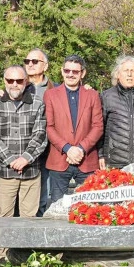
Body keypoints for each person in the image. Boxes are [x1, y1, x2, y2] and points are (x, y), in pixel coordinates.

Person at [0, 65, 47, 240]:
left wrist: (26, 158)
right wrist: (10, 160)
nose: (15, 84)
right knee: (5, 216)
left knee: (29, 218)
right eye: (10, 80)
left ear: (26, 82)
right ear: (5, 81)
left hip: (31, 170)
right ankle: (4, 254)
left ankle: (26, 254)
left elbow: (40, 135)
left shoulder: (37, 103)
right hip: (5, 171)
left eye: (19, 80)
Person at [44, 55, 104, 205]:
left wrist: (81, 149)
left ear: (82, 73)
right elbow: (49, 127)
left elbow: (98, 126)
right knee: (57, 209)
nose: (70, 74)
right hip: (59, 159)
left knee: (90, 208)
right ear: (62, 71)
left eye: (75, 71)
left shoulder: (93, 95)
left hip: (87, 160)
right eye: (67, 70)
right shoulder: (50, 95)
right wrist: (68, 148)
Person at [100, 55, 134, 170]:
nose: (129, 74)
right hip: (115, 162)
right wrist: (100, 155)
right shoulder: (106, 96)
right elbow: (100, 128)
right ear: (118, 75)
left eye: (133, 71)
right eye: (126, 71)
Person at [24, 48, 54, 215]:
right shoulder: (17, 87)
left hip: (47, 152)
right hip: (23, 151)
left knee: (43, 197)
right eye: (27, 61)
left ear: (45, 66)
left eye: (35, 61)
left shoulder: (56, 89)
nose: (30, 64)